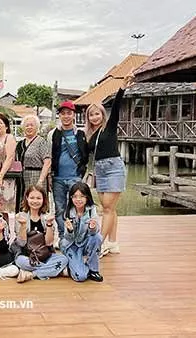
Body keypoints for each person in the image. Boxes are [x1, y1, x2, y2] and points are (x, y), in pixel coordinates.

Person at [85, 74, 133, 256]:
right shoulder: (90, 134)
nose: (94, 117)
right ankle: (113, 243)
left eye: (97, 113)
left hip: (113, 168)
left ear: (102, 114)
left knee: (106, 207)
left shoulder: (109, 127)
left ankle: (100, 243)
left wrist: (123, 87)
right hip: (99, 170)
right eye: (91, 114)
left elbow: (117, 105)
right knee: (110, 209)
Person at [47, 101, 89, 239]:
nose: (66, 116)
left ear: (73, 115)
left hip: (75, 177)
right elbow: (49, 155)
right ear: (59, 115)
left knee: (77, 206)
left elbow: (87, 154)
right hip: (58, 177)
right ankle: (63, 236)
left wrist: (84, 172)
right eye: (63, 113)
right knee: (59, 208)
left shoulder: (81, 134)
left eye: (69, 113)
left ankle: (77, 234)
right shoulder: (53, 134)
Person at [11, 185, 68, 283]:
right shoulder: (20, 216)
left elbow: (49, 243)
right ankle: (54, 270)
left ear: (43, 200)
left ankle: (31, 274)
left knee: (63, 259)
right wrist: (23, 225)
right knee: (20, 261)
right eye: (32, 198)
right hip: (27, 256)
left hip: (45, 255)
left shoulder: (47, 217)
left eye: (38, 198)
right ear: (27, 198)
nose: (35, 201)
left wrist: (49, 224)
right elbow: (21, 243)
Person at [60, 182, 103, 282]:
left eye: (82, 196)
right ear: (71, 198)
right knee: (81, 277)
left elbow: (94, 234)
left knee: (97, 237)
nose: (78, 199)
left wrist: (92, 227)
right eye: (75, 196)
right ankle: (75, 266)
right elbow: (67, 238)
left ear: (87, 197)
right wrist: (70, 230)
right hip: (71, 245)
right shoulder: (67, 212)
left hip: (85, 243)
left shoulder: (92, 210)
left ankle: (93, 270)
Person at [15, 115, 51, 211]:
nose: (29, 127)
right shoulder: (20, 144)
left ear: (37, 127)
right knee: (25, 203)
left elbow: (47, 162)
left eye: (32, 125)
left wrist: (41, 180)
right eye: (27, 125)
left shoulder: (41, 142)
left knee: (38, 202)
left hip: (37, 175)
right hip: (22, 177)